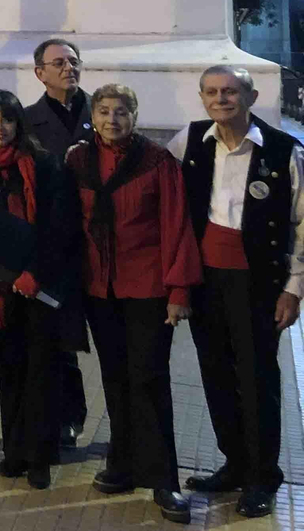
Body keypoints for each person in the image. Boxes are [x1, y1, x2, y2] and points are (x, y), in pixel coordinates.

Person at [167, 66, 303, 519]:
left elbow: (303, 227)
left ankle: (263, 476)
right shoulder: (189, 141)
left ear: (251, 95)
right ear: (202, 98)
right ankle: (235, 463)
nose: (220, 99)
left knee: (258, 380)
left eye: (230, 91)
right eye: (212, 92)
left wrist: (294, 290)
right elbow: (150, 176)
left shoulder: (286, 151)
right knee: (217, 376)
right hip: (206, 282)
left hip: (258, 285)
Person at [65, 83, 199, 524]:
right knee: (115, 378)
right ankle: (122, 464)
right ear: (93, 115)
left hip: (147, 289)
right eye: (103, 111)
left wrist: (179, 291)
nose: (111, 119)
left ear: (134, 116)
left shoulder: (158, 162)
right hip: (98, 289)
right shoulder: (78, 160)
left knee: (150, 380)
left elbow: (177, 225)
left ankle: (165, 479)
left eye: (121, 111)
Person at [0, 90, 85, 491]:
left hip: (38, 287)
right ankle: (15, 451)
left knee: (41, 372)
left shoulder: (43, 165)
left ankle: (41, 457)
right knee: (11, 371)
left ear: (19, 123)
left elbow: (59, 227)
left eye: (7, 119)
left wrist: (33, 272)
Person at [22, 37, 91, 445]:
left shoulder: (102, 112)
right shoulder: (28, 121)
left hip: (99, 245)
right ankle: (67, 418)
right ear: (40, 73)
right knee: (58, 339)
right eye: (58, 62)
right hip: (53, 247)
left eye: (73, 60)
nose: (68, 68)